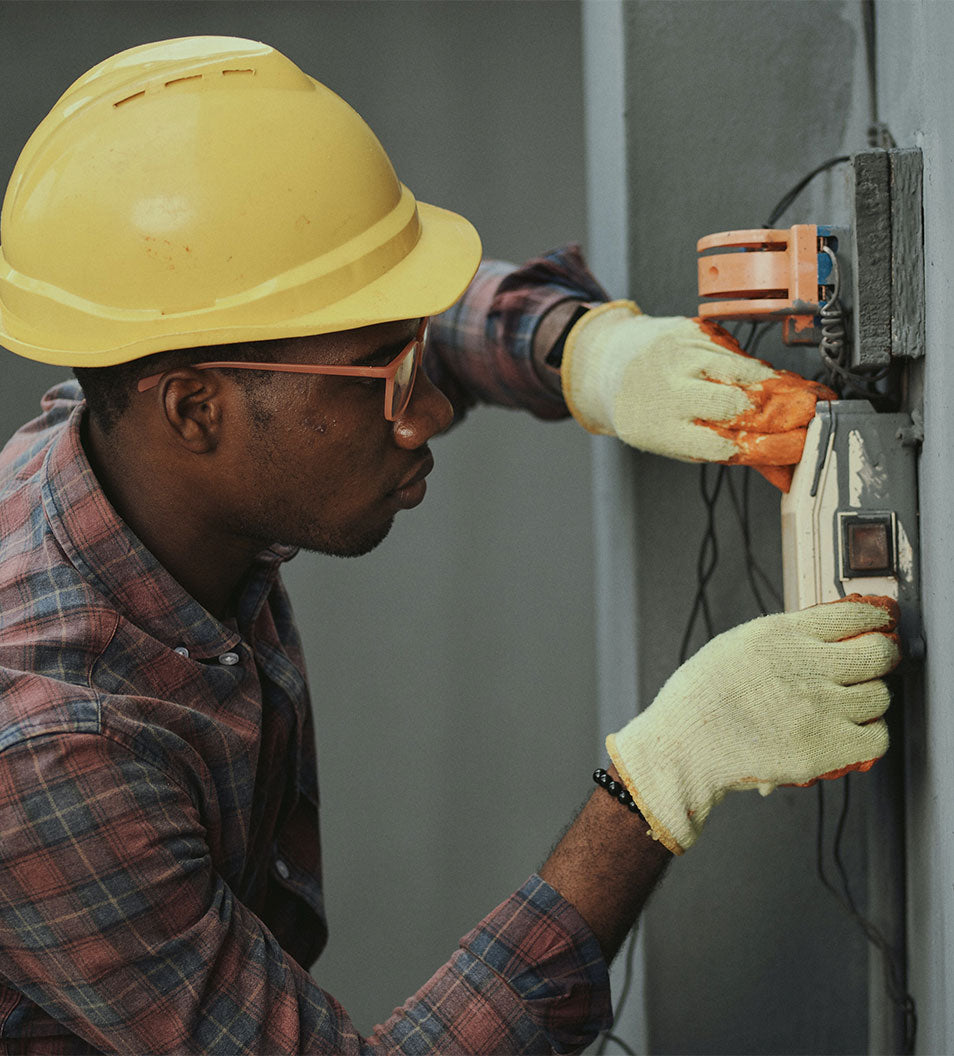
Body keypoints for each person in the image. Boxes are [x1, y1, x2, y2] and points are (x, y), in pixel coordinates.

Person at [0, 37, 899, 1054]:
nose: (425, 412)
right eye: (387, 380)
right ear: (197, 410)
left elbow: (343, 324)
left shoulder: (134, 421)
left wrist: (585, 354)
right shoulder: (49, 753)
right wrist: (660, 780)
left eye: (415, 350)